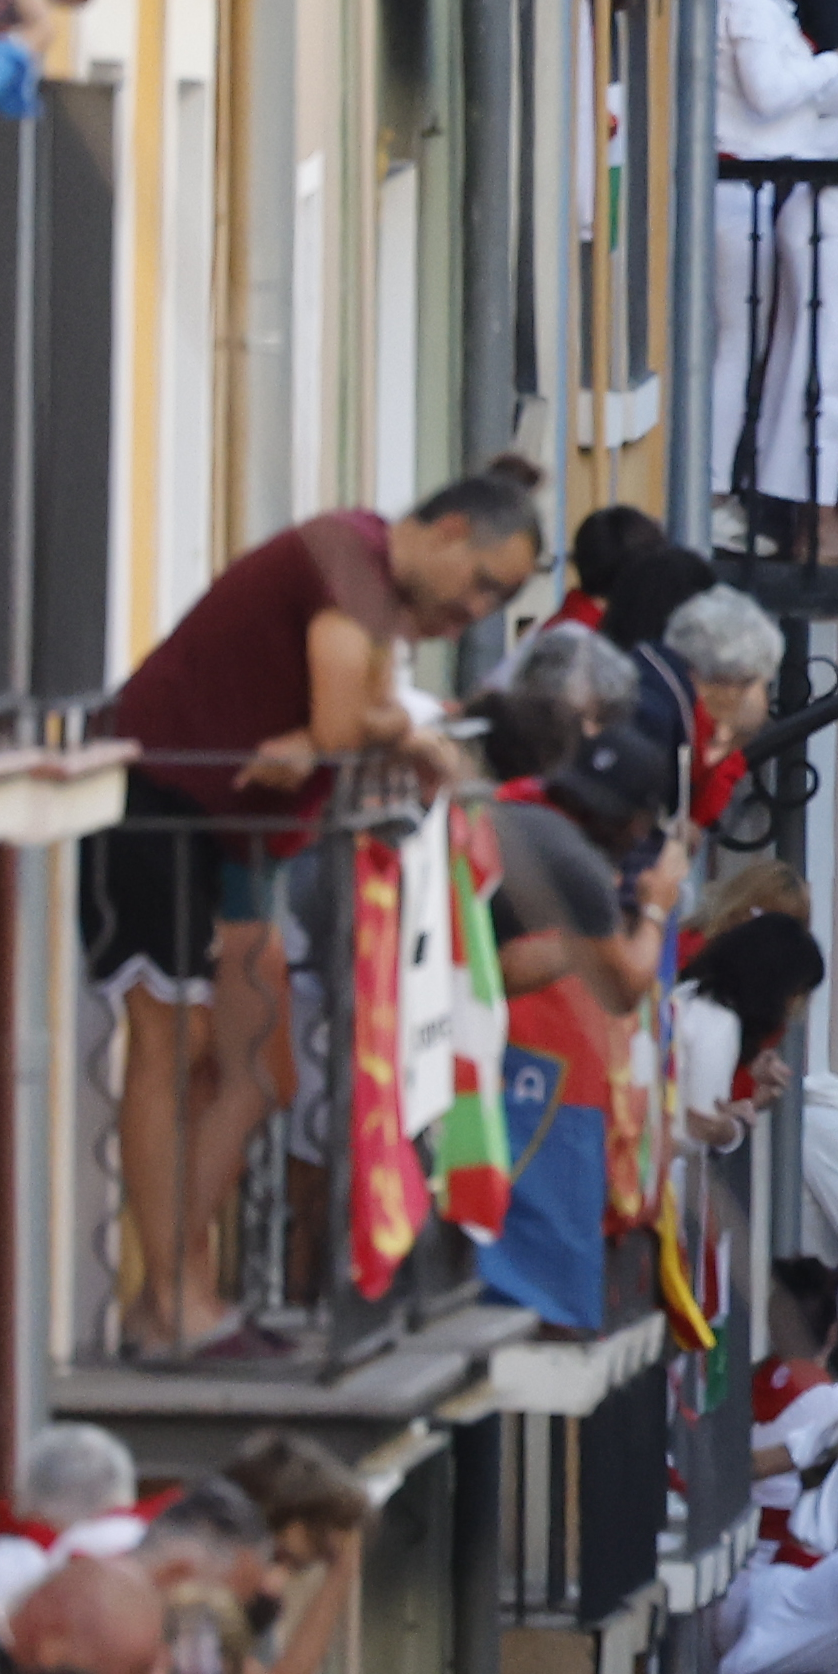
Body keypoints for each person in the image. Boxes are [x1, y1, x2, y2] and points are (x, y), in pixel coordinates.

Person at [90, 470, 547, 1356]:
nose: (478, 611)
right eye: (485, 584)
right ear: (450, 530)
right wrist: (395, 735)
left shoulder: (369, 584)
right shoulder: (351, 564)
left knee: (262, 1070)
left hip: (233, 838)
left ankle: (174, 1291)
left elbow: (342, 722)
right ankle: (173, 1301)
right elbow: (347, 720)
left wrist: (341, 734)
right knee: (170, 1050)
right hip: (163, 809)